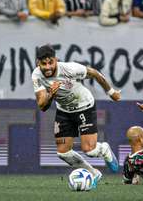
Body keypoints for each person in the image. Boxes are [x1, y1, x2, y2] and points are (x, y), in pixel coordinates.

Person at [31, 44, 121, 187]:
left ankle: (103, 149)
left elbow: (95, 74)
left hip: (83, 106)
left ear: (56, 60)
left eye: (50, 62)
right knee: (63, 153)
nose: (47, 67)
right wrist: (50, 94)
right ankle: (93, 173)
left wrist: (111, 92)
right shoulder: (36, 75)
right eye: (43, 63)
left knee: (90, 150)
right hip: (64, 111)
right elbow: (42, 106)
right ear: (38, 63)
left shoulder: (70, 68)